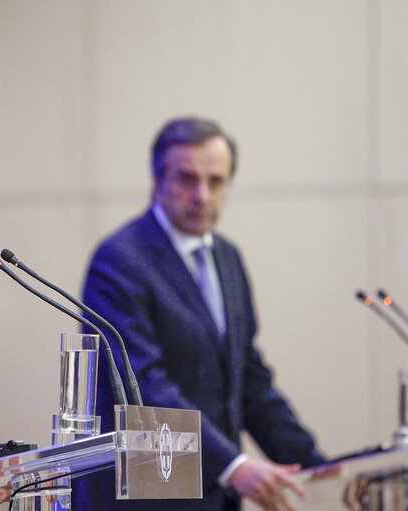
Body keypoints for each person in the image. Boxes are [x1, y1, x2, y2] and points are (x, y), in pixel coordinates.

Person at [72, 117, 325, 510]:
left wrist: (322, 468)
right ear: (158, 182)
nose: (203, 196)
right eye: (187, 180)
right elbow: (144, 386)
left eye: (216, 182)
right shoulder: (119, 260)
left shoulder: (227, 257)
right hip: (149, 498)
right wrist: (234, 466)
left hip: (216, 498)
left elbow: (249, 380)